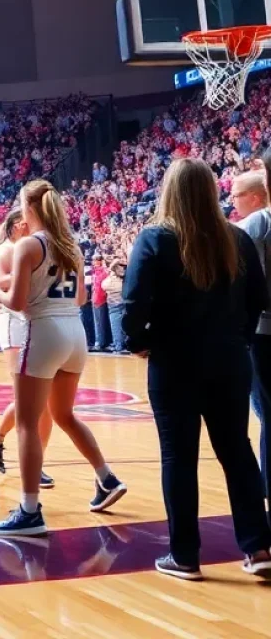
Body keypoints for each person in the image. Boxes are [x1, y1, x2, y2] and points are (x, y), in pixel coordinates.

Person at [123, 158, 271, 581]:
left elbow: (133, 304)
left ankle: (185, 555)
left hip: (174, 362)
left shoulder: (155, 238)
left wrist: (139, 343)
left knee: (179, 457)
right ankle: (257, 546)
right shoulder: (236, 239)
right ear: (210, 191)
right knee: (237, 451)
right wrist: (238, 338)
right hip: (229, 360)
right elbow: (258, 299)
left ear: (170, 192)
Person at [0, 180, 126, 536]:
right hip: (75, 334)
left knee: (25, 424)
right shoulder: (71, 245)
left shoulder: (28, 246)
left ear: (28, 208)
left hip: (44, 331)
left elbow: (18, 303)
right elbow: (80, 297)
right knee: (64, 415)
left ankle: (29, 509)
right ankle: (106, 478)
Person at [0, 208, 54, 488]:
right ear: (14, 226)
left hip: (34, 321)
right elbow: (1, 284)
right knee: (29, 400)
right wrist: (34, 271)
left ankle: (6, 444)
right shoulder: (8, 250)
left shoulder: (33, 246)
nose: (30, 224)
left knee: (44, 402)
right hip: (14, 323)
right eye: (24, 221)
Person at [232, 169, 271, 490]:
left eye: (236, 195)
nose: (231, 201)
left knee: (266, 413)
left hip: (263, 332)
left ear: (257, 196)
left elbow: (222, 240)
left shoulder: (258, 222)